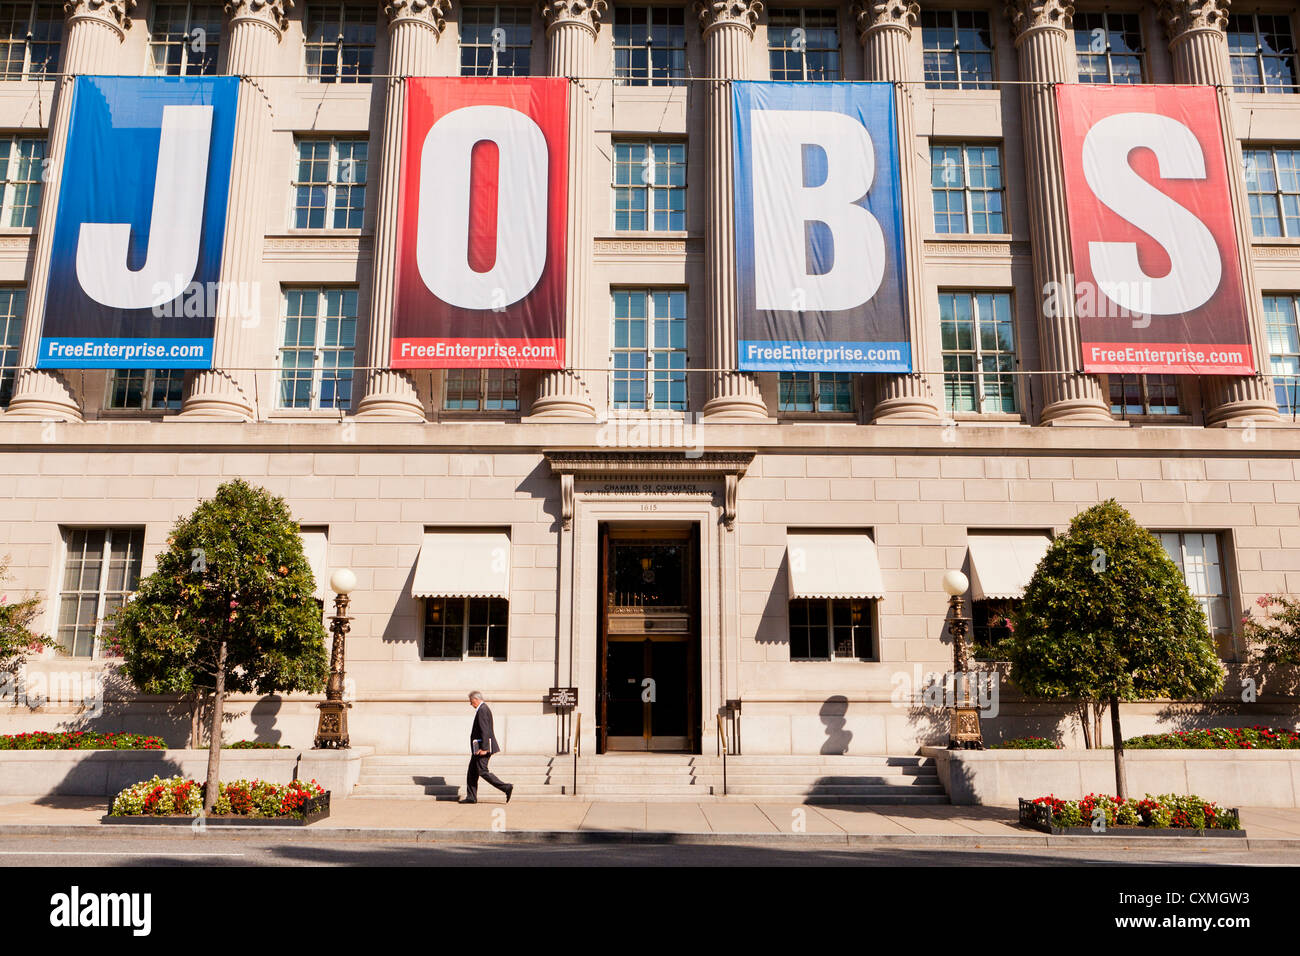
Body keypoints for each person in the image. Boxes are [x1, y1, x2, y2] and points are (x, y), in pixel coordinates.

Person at [462, 691, 513, 804]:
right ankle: (471, 797)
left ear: (476, 699)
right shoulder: (482, 709)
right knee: (472, 772)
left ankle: (506, 787)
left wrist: (485, 749)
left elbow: (485, 730)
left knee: (483, 771)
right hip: (479, 748)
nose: (471, 704)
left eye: (471, 702)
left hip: (483, 748)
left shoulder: (483, 710)